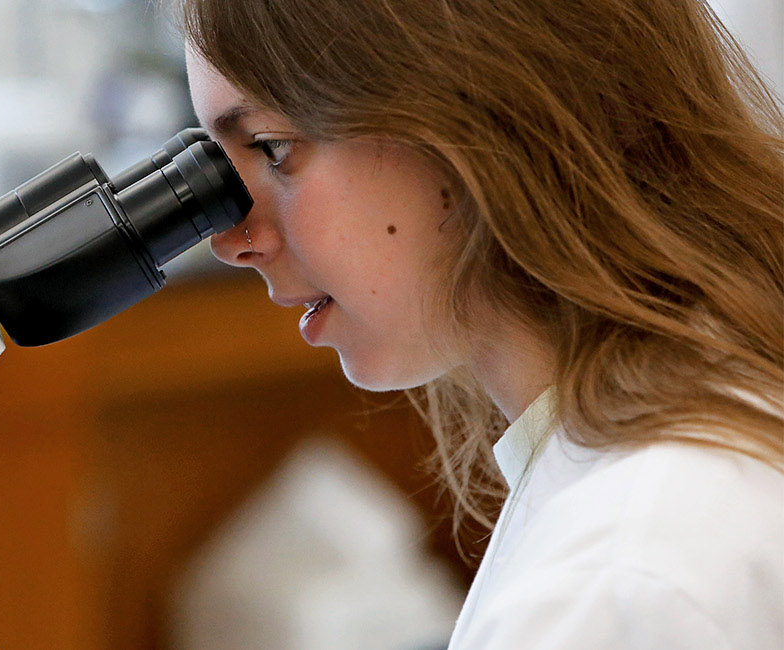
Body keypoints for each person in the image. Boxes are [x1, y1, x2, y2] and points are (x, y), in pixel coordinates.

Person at [176, 0, 784, 647]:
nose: (231, 239)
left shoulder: (612, 587)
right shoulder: (715, 398)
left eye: (272, 148)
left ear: (472, 108)